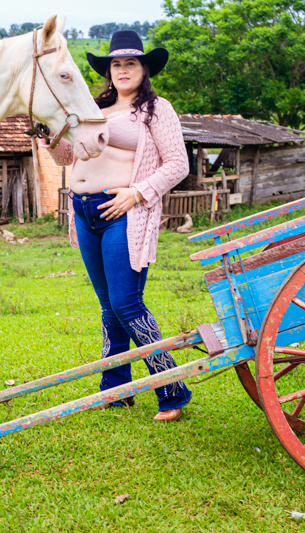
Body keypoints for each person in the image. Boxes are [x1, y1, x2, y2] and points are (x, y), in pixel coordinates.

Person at [42, 30, 192, 422]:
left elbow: (178, 164)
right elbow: (69, 157)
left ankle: (171, 389)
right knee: (109, 306)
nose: (122, 70)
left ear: (144, 69)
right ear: (108, 71)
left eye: (131, 63)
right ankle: (116, 389)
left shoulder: (155, 110)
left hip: (123, 212)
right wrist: (50, 139)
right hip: (84, 211)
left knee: (127, 302)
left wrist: (137, 193)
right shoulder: (92, 107)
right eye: (116, 64)